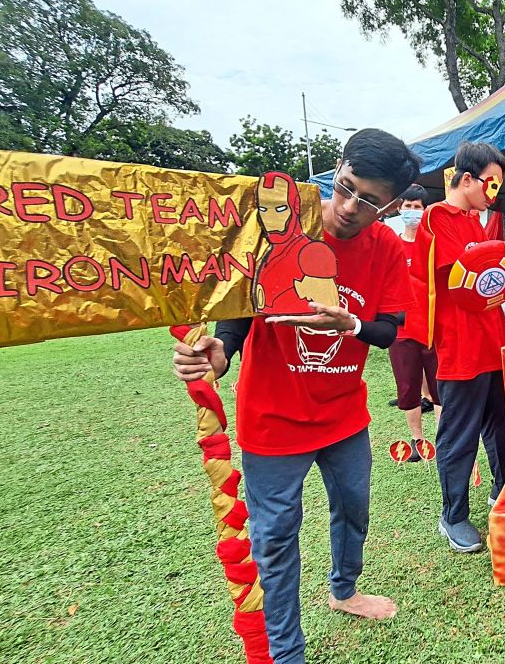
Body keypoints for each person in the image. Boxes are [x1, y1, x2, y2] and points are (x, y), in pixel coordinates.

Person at [172, 129, 420, 664]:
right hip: (272, 415)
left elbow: (391, 328)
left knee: (354, 507)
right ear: (338, 167)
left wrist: (350, 322)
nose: (350, 208)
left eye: (371, 201)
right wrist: (225, 349)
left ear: (393, 205)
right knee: (276, 537)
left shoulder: (388, 249)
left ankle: (344, 589)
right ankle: (287, 652)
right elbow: (240, 299)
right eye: (346, 187)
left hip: (344, 415)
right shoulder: (280, 226)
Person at [414, 141, 505, 554]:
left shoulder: (473, 221)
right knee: (459, 434)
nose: (493, 194)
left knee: (503, 421)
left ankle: (504, 488)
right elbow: (467, 276)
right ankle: (453, 515)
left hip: (493, 339)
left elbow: (491, 272)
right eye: (490, 185)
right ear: (467, 179)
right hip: (460, 345)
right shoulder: (436, 218)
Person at [389, 183, 440, 461]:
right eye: (407, 206)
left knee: (437, 386)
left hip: (431, 328)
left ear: (424, 210)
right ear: (399, 209)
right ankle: (418, 441)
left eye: (417, 207)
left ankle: (443, 438)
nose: (412, 211)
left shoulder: (432, 244)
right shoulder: (391, 245)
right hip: (401, 331)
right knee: (408, 388)